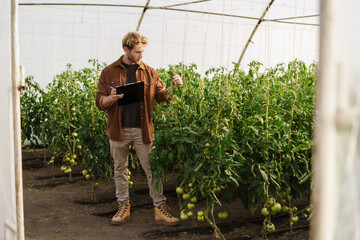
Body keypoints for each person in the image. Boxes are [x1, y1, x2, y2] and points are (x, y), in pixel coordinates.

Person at [95, 31, 182, 226]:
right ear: (126, 49)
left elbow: (162, 97)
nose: (141, 55)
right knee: (120, 169)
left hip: (143, 129)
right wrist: (110, 99)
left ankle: (160, 208)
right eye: (137, 52)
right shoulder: (109, 72)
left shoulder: (150, 72)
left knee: (153, 169)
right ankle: (123, 207)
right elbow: (99, 100)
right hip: (118, 129)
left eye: (143, 51)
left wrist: (173, 87)